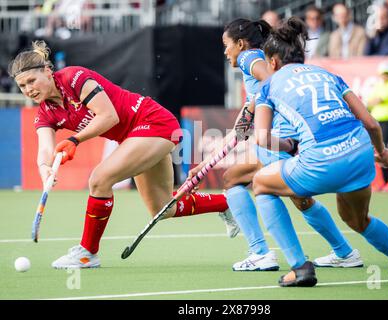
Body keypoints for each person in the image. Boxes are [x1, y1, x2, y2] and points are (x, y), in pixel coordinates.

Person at [8, 41, 239, 269]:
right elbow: (45, 148)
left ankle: (88, 253)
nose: (29, 89)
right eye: (22, 86)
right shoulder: (46, 113)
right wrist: (44, 169)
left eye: (31, 81)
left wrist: (74, 140)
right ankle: (229, 203)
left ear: (48, 72)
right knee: (164, 208)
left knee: (99, 179)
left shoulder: (73, 78)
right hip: (133, 139)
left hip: (154, 122)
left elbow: (108, 117)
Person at [251, 16, 388, 287]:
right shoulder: (329, 75)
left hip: (319, 163)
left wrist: (291, 145)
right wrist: (382, 152)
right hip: (360, 153)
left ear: (274, 62)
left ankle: (300, 267)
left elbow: (262, 137)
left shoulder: (268, 85)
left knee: (260, 184)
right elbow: (371, 123)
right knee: (357, 219)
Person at [189, 18, 363, 272]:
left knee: (233, 180)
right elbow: (241, 126)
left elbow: (272, 81)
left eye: (227, 45)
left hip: (276, 137)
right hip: (287, 136)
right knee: (300, 199)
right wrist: (204, 164)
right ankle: (345, 252)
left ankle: (260, 252)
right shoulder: (256, 67)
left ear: (240, 43)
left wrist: (258, 105)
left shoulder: (250, 58)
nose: (225, 52)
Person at [366, 61, 388, 191]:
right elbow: (370, 101)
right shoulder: (379, 85)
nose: (385, 76)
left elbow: (377, 99)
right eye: (383, 74)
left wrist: (374, 101)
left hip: (387, 122)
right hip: (377, 122)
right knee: (378, 152)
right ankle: (385, 182)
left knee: (387, 152)